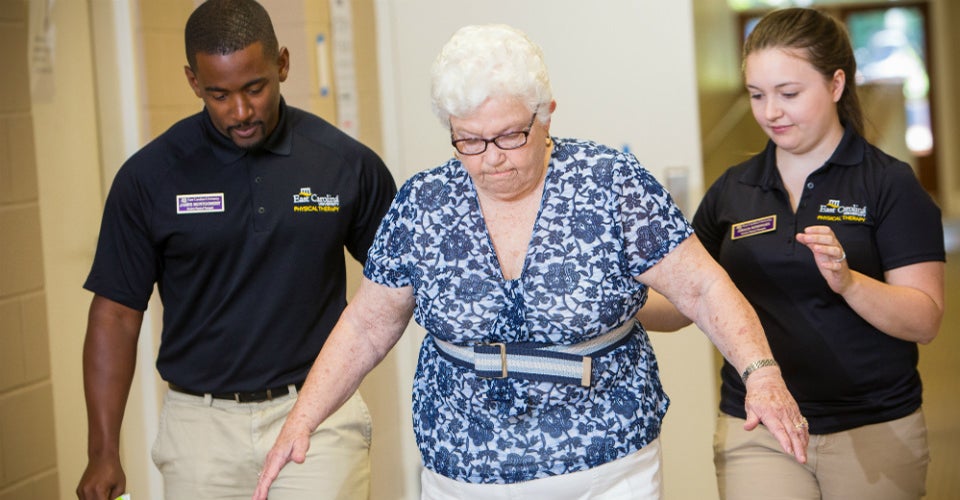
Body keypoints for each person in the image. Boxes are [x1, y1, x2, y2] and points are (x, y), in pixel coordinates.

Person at [252, 23, 808, 500]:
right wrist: (302, 418)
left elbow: (703, 289)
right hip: (464, 467)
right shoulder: (424, 202)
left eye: (510, 136)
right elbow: (368, 324)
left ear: (547, 114)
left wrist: (761, 374)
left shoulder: (609, 182)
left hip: (607, 463)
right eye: (468, 140)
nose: (492, 159)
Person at [75, 1, 397, 499]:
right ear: (193, 82)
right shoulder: (150, 178)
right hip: (200, 426)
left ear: (282, 64)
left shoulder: (344, 166)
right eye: (219, 95)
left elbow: (403, 284)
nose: (241, 112)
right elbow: (116, 314)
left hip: (318, 417)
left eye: (255, 88)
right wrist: (102, 451)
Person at [640, 8, 945, 500]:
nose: (770, 113)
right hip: (758, 423)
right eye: (758, 95)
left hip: (871, 424)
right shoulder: (733, 191)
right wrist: (610, 303)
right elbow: (684, 301)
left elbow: (924, 320)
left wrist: (849, 281)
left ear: (836, 84)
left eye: (789, 94)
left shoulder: (889, 184)